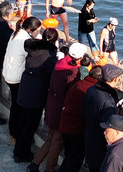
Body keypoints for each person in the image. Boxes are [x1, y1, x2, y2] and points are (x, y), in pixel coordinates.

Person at [34, 41, 89, 172]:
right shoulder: (72, 71)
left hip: (51, 105)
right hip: (61, 110)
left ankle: (34, 164)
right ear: (79, 58)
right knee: (57, 144)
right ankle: (50, 169)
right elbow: (73, 92)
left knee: (50, 139)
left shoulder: (59, 63)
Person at [14, 27, 58, 163]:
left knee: (23, 122)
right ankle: (22, 153)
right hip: (36, 95)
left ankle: (18, 149)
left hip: (24, 89)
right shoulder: (48, 57)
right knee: (31, 126)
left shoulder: (33, 50)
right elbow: (53, 76)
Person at [3, 16, 42, 143]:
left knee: (16, 105)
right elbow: (33, 56)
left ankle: (14, 132)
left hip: (8, 73)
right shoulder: (25, 40)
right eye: (38, 30)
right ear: (31, 29)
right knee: (19, 106)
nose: (39, 33)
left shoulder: (16, 33)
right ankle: (16, 134)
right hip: (16, 77)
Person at [58, 65, 102, 172]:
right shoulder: (92, 90)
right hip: (77, 129)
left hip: (65, 124)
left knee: (69, 157)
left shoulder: (79, 83)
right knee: (74, 160)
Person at [84, 64, 123, 172]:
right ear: (114, 79)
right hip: (100, 144)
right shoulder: (108, 101)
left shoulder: (91, 90)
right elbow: (109, 125)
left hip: (89, 135)